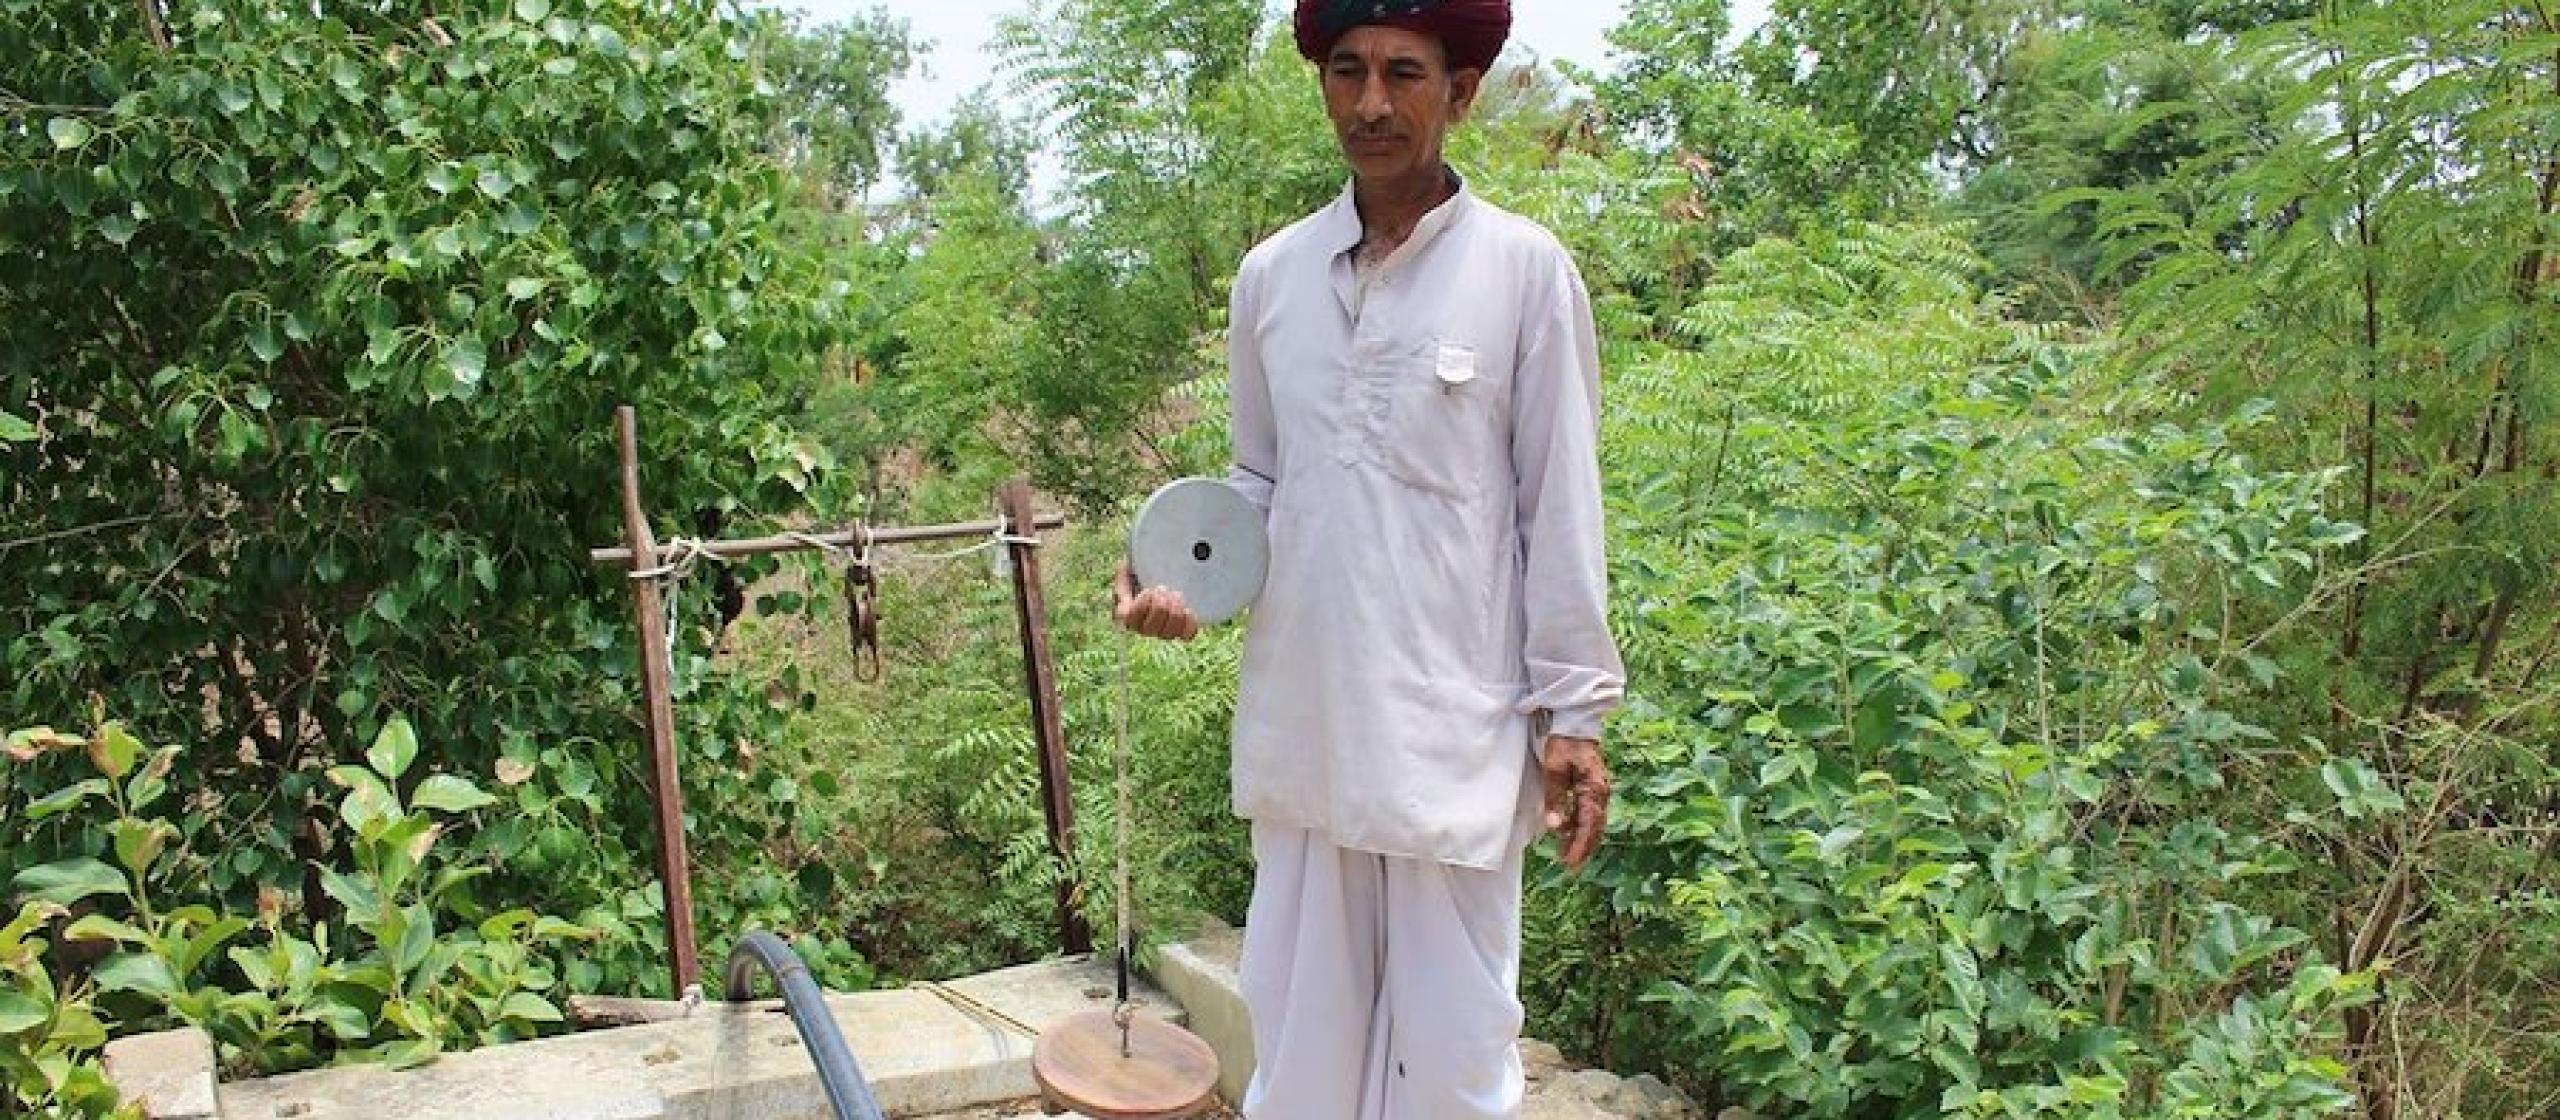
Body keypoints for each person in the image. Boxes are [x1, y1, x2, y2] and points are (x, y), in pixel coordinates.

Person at [1113, 1, 1622, 1114]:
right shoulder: (1272, 279)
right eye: (1347, 72)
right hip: (1306, 739)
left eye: (1403, 72)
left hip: (1454, 740)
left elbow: (1560, 507)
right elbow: (1256, 483)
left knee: (1453, 1063)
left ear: (1463, 89)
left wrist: (1573, 717)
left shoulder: (1524, 274)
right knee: (1300, 1059)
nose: (1372, 102)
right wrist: (1172, 573)